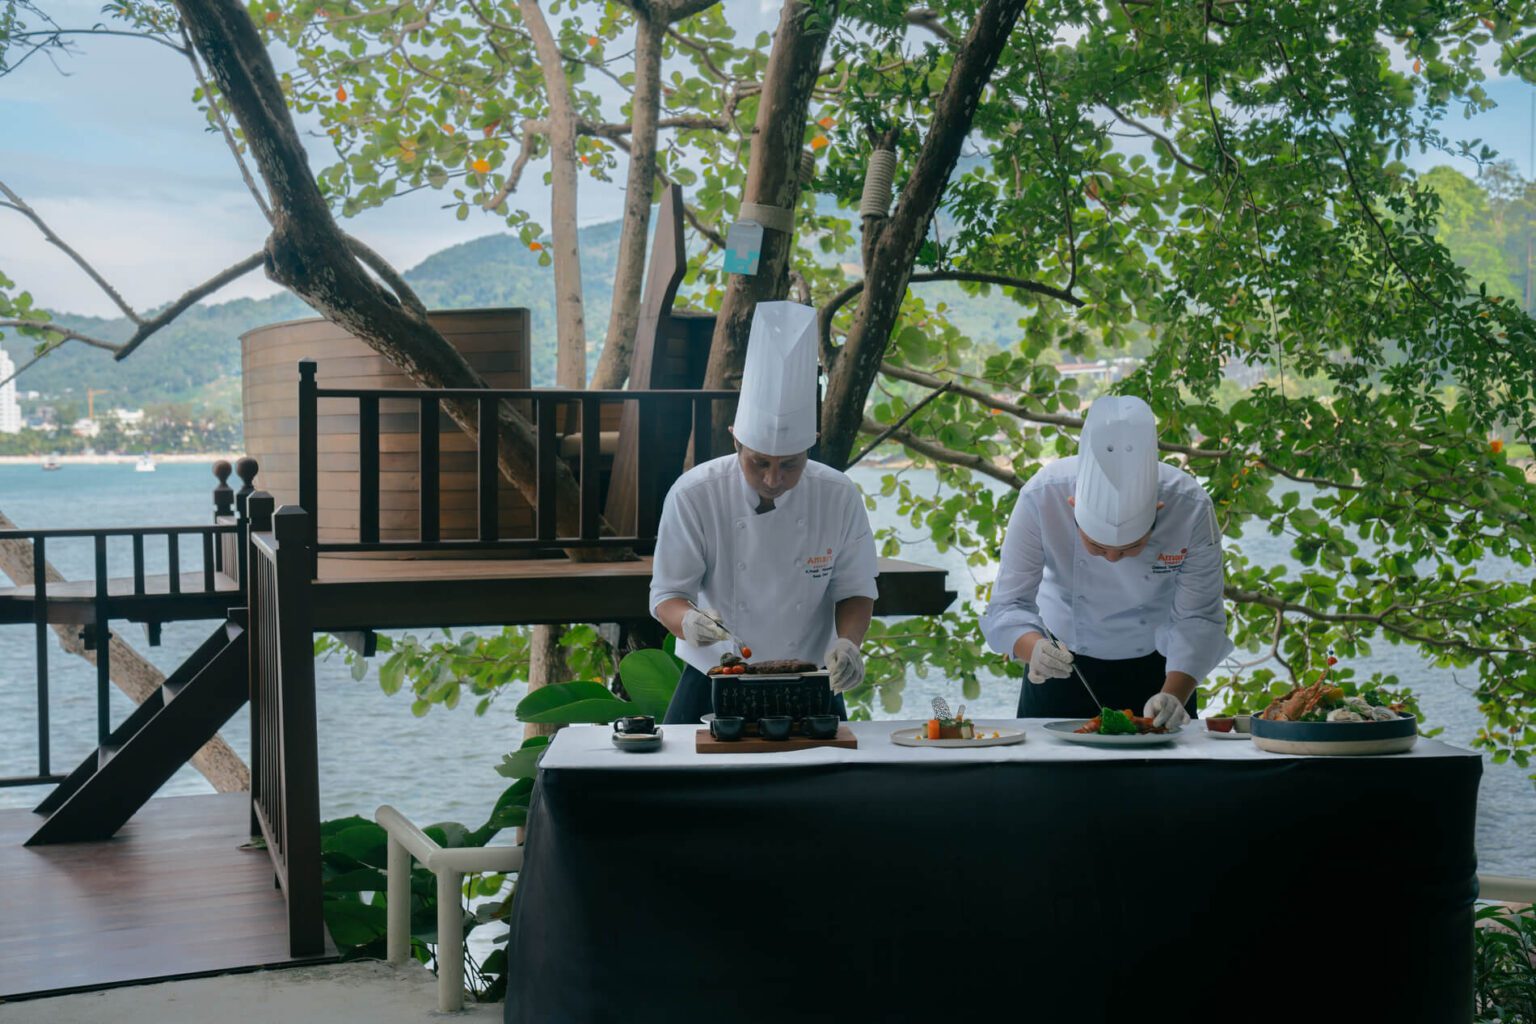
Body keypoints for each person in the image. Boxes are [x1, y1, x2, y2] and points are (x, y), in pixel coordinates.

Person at [649, 301, 879, 724]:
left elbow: (856, 589)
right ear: (736, 442)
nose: (774, 478)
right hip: (715, 674)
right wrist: (690, 622)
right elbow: (666, 597)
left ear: (810, 444)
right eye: (759, 463)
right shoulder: (695, 494)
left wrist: (848, 644)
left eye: (790, 464)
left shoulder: (837, 495)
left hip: (811, 677)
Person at [981, 395, 1232, 728]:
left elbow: (1198, 618)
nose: (1113, 558)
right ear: (1072, 506)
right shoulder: (1041, 496)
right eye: (1097, 547)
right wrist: (1034, 651)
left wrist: (1173, 696)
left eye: (1131, 548)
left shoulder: (1190, 506)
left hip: (1161, 672)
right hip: (1061, 667)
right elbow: (1008, 605)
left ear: (1157, 510)